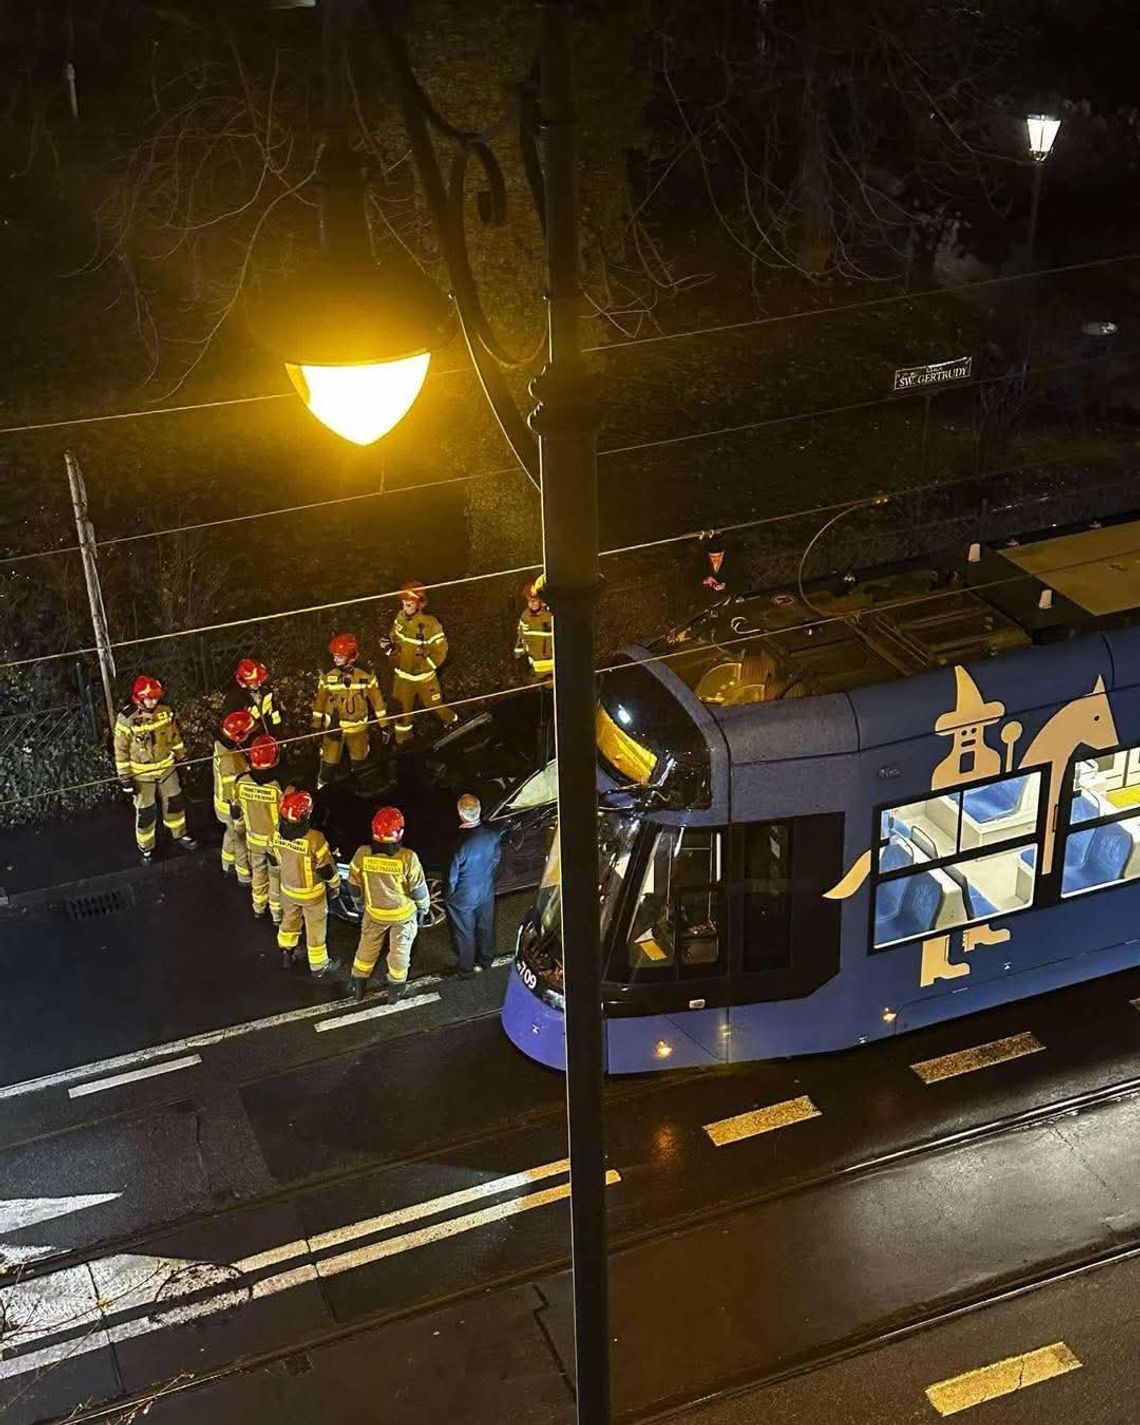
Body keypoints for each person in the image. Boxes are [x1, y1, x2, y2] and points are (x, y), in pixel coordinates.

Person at [346, 806, 431, 1002]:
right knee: (399, 950)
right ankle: (396, 988)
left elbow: (353, 884)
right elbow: (418, 889)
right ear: (399, 833)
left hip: (375, 912)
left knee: (367, 946)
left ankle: (358, 983)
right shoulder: (408, 857)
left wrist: (359, 903)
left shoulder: (362, 854)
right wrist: (424, 907)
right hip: (402, 915)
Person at [114, 675, 197, 865]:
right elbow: (121, 751)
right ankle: (146, 848)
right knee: (146, 812)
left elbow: (174, 737)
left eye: (156, 697)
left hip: (167, 769)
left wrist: (182, 758)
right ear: (139, 698)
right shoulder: (126, 719)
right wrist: (125, 778)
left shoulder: (165, 712)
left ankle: (179, 834)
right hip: (142, 776)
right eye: (149, 698)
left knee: (175, 801)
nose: (153, 701)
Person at [270, 790, 341, 978]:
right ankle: (318, 965)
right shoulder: (315, 838)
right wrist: (335, 884)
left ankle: (287, 952)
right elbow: (325, 869)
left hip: (287, 890)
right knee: (315, 927)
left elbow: (273, 858)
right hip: (312, 895)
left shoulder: (276, 834)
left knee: (289, 921)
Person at [382, 582, 457, 745]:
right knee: (401, 713)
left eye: (408, 604)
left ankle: (455, 724)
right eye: (403, 604)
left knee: (435, 705)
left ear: (419, 603)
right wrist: (389, 648)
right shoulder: (400, 618)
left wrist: (425, 663)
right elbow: (394, 638)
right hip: (403, 677)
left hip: (425, 678)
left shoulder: (431, 624)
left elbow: (441, 651)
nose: (404, 607)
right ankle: (403, 743)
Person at [312, 633, 387, 788]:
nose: (335, 659)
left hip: (358, 730)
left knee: (361, 767)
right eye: (334, 655)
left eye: (339, 656)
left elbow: (377, 701)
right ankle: (320, 796)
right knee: (328, 768)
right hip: (334, 730)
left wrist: (384, 725)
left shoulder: (365, 675)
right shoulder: (328, 675)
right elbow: (320, 702)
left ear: (351, 657)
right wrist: (315, 726)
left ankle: (360, 798)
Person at [235, 734, 292, 924]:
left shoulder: (241, 782)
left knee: (258, 874)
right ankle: (277, 915)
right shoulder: (280, 786)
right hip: (275, 844)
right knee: (276, 877)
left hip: (253, 840)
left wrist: (240, 831)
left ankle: (258, 908)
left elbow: (237, 811)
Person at [444, 794, 502, 978]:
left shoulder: (459, 844)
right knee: (485, 925)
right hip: (485, 888)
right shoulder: (492, 835)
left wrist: (450, 895)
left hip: (463, 894)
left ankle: (466, 969)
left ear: (460, 813)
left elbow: (452, 876)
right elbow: (495, 859)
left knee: (464, 932)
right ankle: (486, 959)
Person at [213, 709, 255, 885]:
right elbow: (233, 792)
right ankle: (243, 875)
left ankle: (227, 864)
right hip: (232, 807)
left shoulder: (222, 745)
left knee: (230, 834)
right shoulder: (230, 762)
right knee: (240, 839)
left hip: (222, 803)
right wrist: (238, 814)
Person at [223, 659, 282, 733]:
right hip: (251, 737)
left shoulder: (266, 690)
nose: (259, 684)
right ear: (244, 682)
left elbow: (274, 711)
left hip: (269, 732)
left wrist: (278, 731)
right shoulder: (235, 699)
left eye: (260, 680)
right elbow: (232, 729)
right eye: (255, 682)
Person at [514, 579, 553, 682]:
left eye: (535, 601)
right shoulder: (525, 616)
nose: (532, 604)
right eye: (529, 601)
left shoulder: (551, 615)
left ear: (542, 601)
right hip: (538, 669)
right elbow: (521, 635)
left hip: (557, 666)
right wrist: (519, 649)